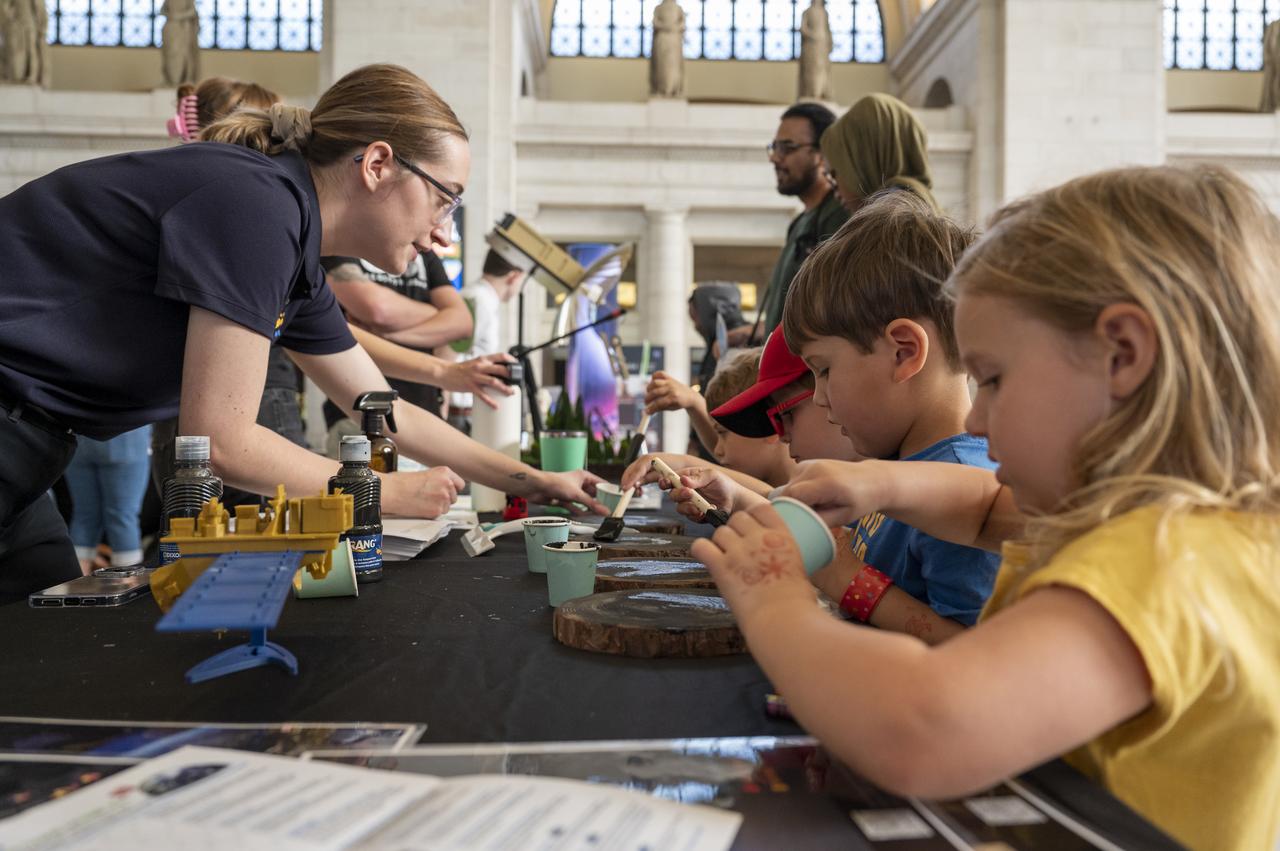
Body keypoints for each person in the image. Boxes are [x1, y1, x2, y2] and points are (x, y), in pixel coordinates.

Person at [697, 165, 1280, 851]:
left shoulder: (1162, 560)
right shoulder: (1206, 531)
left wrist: (772, 597)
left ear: (1122, 354)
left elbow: (924, 727)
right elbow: (983, 507)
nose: (975, 416)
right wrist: (881, 486)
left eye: (995, 379)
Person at [0, 63, 605, 601]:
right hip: (15, 423)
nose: (445, 234)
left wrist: (537, 481)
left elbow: (386, 413)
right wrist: (382, 495)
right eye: (446, 200)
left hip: (36, 445)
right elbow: (222, 440)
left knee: (48, 639)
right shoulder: (256, 204)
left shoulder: (295, 256)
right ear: (377, 165)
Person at [741, 102, 847, 344]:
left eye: (788, 148)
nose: (776, 158)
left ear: (822, 154)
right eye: (774, 147)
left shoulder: (838, 216)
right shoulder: (800, 223)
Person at [643, 282, 745, 457]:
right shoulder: (715, 347)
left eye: (696, 317)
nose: (696, 325)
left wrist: (692, 401)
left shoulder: (741, 348)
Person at [447, 249, 529, 431]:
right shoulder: (478, 300)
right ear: (514, 276)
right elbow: (446, 354)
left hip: (466, 411)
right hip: (459, 414)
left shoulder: (482, 298)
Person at [820, 93, 938, 215]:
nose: (836, 194)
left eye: (835, 175)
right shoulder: (920, 203)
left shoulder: (888, 218)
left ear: (862, 162)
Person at [62, 425, 152, 571]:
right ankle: (127, 586)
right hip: (126, 436)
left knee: (83, 515)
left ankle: (73, 585)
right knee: (122, 516)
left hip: (80, 437)